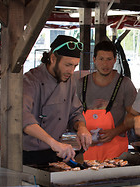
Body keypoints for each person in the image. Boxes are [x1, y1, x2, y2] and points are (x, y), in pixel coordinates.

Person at [23, 35, 92, 165]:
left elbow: (75, 113)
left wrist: (82, 128)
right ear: (53, 58)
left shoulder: (69, 80)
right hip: (29, 154)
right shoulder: (30, 81)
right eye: (68, 65)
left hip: (56, 151)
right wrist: (52, 142)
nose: (71, 71)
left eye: (75, 66)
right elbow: (23, 117)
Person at [76, 41, 137, 161]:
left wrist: (115, 131)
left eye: (109, 59)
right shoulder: (81, 83)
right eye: (101, 59)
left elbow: (134, 115)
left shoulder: (125, 84)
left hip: (116, 151)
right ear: (94, 59)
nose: (105, 64)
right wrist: (81, 129)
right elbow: (73, 113)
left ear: (115, 60)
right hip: (86, 149)